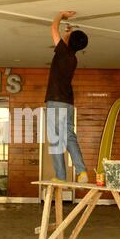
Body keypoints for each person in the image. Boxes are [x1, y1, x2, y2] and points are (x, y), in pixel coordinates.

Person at [45, 11, 89, 183]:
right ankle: (81, 171)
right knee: (69, 136)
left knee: (56, 138)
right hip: (68, 103)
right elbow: (63, 41)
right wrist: (69, 32)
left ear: (69, 43)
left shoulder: (64, 54)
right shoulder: (72, 57)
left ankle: (61, 176)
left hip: (56, 101)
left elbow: (52, 27)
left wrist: (60, 15)